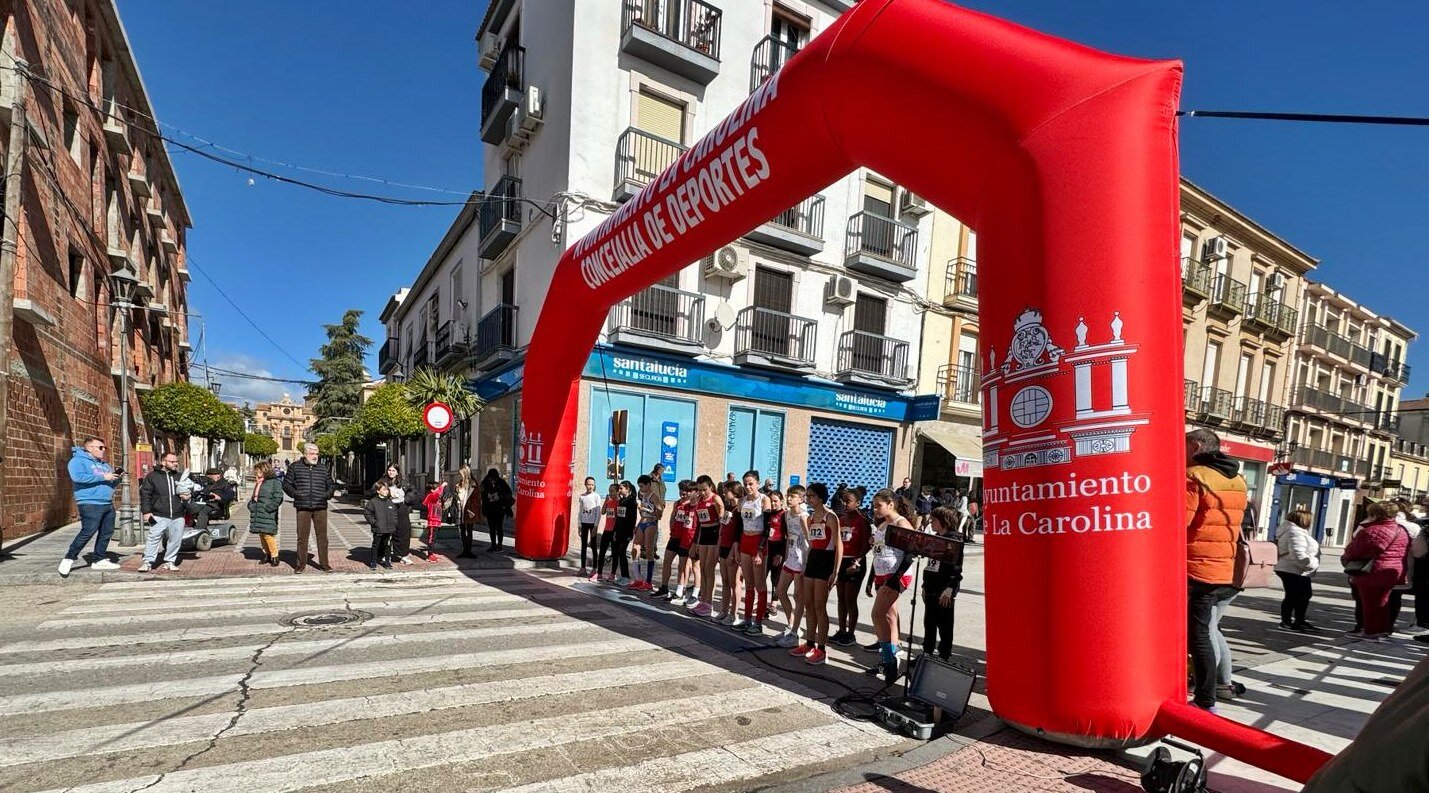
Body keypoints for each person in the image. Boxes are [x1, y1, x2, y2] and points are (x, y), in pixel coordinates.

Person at [1184, 428, 1247, 713]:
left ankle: (1206, 700)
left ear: (1196, 447)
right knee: (1209, 630)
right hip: (1225, 566)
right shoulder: (1237, 480)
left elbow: (1179, 521)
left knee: (1198, 635)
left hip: (1196, 565)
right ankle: (1218, 687)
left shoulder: (1195, 477)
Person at [865, 489, 916, 681]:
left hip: (895, 575)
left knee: (877, 614)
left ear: (890, 504)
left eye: (878, 505)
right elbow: (878, 553)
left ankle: (889, 662)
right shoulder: (882, 525)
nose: (875, 509)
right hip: (881, 573)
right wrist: (871, 579)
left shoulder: (901, 523)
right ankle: (891, 654)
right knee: (889, 615)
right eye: (874, 505)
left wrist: (895, 579)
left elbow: (910, 554)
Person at [1342, 500, 1411, 641]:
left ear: (1375, 514)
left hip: (1373, 571)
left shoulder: (1372, 530)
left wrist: (1346, 555)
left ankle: (1371, 632)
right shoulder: (1401, 530)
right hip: (1393, 571)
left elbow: (1354, 551)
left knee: (1369, 603)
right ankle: (1382, 630)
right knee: (1383, 602)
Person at [789, 482, 841, 665]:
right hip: (813, 561)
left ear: (820, 498)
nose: (808, 499)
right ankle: (809, 643)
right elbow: (812, 543)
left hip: (826, 561)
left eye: (811, 496)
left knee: (820, 606)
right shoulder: (810, 518)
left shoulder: (830, 517)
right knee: (809, 604)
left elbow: (838, 544)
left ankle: (822, 649)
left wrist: (836, 570)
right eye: (807, 496)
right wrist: (805, 565)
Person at [60, 437, 122, 576]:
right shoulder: (77, 461)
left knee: (107, 532)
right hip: (90, 502)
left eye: (104, 447)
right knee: (88, 531)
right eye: (100, 447)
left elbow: (109, 483)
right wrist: (103, 477)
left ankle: (99, 558)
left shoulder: (104, 465)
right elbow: (78, 477)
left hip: (107, 503)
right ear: (89, 448)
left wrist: (117, 479)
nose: (103, 450)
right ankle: (69, 557)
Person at [282, 443, 337, 574]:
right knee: (302, 537)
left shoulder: (323, 468)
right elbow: (286, 484)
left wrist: (326, 495)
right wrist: (296, 494)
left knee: (322, 537)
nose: (315, 456)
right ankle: (300, 564)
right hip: (303, 507)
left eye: (317, 454)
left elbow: (331, 485)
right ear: (305, 454)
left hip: (320, 506)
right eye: (312, 453)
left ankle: (324, 564)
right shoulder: (295, 467)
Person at [921, 506, 963, 660]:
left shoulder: (954, 540)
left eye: (934, 520)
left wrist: (950, 589)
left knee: (944, 624)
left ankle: (944, 655)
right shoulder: (937, 538)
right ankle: (927, 652)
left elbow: (956, 569)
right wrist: (925, 586)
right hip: (931, 587)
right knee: (929, 622)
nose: (931, 523)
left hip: (944, 589)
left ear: (944, 521)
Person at [736, 472, 773, 634]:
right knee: (748, 584)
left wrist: (760, 550)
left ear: (757, 483)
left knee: (760, 585)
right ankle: (747, 619)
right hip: (745, 541)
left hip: (759, 543)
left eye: (751, 483)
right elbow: (738, 527)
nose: (748, 487)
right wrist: (736, 548)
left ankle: (758, 623)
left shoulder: (764, 499)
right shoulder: (742, 501)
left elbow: (767, 527)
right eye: (745, 484)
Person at [138, 452, 187, 573]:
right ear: (163, 462)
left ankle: (170, 561)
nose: (175, 464)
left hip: (177, 514)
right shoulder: (152, 476)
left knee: (175, 539)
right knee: (153, 537)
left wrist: (188, 496)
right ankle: (148, 562)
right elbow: (145, 494)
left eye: (176, 462)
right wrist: (146, 511)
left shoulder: (180, 476)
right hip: (158, 514)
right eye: (172, 462)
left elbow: (190, 489)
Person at [833, 488, 870, 647]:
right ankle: (841, 630)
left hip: (855, 564)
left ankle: (851, 633)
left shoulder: (862, 521)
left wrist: (857, 561)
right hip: (841, 562)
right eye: (843, 501)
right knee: (841, 598)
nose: (845, 504)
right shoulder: (841, 519)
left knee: (850, 600)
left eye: (848, 501)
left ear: (858, 503)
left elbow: (866, 545)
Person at [1273, 509, 1319, 632]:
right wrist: (1311, 564)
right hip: (1291, 568)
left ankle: (1299, 620)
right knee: (1293, 595)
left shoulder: (1296, 531)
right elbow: (1297, 553)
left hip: (1295, 569)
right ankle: (1286, 622)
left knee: (1304, 595)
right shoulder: (1295, 532)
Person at [774, 485, 808, 648]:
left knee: (798, 597)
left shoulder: (804, 516)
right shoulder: (787, 514)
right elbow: (788, 537)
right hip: (791, 558)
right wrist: (786, 555)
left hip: (802, 560)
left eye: (792, 496)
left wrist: (806, 565)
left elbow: (810, 542)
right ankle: (791, 625)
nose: (788, 499)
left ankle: (795, 633)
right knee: (780, 591)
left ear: (801, 499)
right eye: (788, 495)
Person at [689, 475, 724, 616]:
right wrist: (695, 542)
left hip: (714, 534)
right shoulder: (699, 501)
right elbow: (698, 524)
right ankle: (702, 601)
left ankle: (709, 604)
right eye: (700, 490)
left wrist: (720, 542)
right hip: (703, 534)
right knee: (702, 569)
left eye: (705, 490)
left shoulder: (715, 499)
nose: (702, 493)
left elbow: (721, 521)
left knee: (709, 569)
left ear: (711, 487)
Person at [714, 481, 745, 624]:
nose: (724, 494)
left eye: (727, 491)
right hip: (724, 547)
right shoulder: (728, 508)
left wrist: (734, 550)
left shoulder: (740, 509)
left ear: (734, 491)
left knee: (735, 583)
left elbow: (739, 532)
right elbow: (723, 528)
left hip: (734, 548)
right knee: (725, 581)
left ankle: (734, 614)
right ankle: (724, 611)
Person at [631, 474, 665, 591]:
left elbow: (659, 513)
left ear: (648, 485)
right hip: (643, 522)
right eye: (639, 487)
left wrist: (648, 510)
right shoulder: (644, 496)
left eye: (642, 487)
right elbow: (643, 512)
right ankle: (638, 578)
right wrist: (638, 524)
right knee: (635, 548)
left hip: (651, 523)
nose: (641, 489)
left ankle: (649, 582)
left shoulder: (654, 496)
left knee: (649, 551)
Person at [247, 460, 283, 567]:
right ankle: (267, 554)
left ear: (264, 470)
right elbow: (254, 497)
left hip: (268, 513)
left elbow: (278, 497)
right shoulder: (259, 482)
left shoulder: (274, 482)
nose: (256, 473)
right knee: (262, 535)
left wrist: (270, 508)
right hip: (258, 511)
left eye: (258, 470)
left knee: (268, 535)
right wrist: (251, 506)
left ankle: (275, 556)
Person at [190, 467, 236, 536]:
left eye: (218, 474)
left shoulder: (224, 484)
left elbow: (230, 496)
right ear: (209, 476)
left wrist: (219, 497)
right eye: (215, 474)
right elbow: (197, 492)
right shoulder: (204, 483)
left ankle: (200, 531)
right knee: (189, 508)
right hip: (203, 502)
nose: (218, 475)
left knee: (203, 511)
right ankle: (188, 527)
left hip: (216, 504)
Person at [364, 479, 398, 570]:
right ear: (378, 490)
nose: (386, 491)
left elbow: (394, 514)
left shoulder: (389, 502)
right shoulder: (373, 502)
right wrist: (374, 523)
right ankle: (373, 562)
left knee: (387, 545)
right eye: (384, 489)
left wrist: (394, 523)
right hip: (378, 528)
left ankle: (387, 562)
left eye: (387, 489)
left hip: (389, 529)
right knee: (376, 545)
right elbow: (368, 513)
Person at [385, 465, 417, 565]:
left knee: (404, 530)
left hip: (401, 508)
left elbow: (412, 491)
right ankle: (385, 555)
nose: (391, 472)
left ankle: (403, 555)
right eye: (389, 470)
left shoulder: (403, 482)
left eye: (393, 470)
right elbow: (375, 491)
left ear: (397, 472)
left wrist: (406, 501)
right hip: (387, 509)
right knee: (386, 532)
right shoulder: (383, 482)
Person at [610, 480, 638, 585]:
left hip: (626, 531)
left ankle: (626, 577)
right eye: (619, 488)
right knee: (618, 552)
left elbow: (632, 519)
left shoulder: (632, 502)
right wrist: (615, 531)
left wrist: (630, 533)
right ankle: (622, 575)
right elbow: (618, 517)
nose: (620, 490)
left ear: (628, 489)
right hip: (619, 530)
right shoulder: (621, 501)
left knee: (622, 552)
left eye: (621, 488)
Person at [589, 484, 619, 583]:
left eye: (613, 491)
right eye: (609, 491)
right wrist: (606, 501)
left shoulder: (619, 502)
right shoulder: (609, 501)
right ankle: (599, 573)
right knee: (602, 552)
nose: (611, 493)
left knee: (614, 553)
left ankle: (612, 574)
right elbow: (602, 512)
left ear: (618, 491)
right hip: (606, 530)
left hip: (614, 530)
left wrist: (616, 531)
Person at [480, 468, 514, 552]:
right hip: (489, 508)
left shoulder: (501, 482)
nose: (493, 481)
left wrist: (499, 496)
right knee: (491, 528)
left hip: (499, 508)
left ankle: (499, 545)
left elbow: (509, 493)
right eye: (491, 479)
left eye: (494, 479)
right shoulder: (485, 483)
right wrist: (487, 496)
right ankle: (493, 545)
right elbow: (481, 494)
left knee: (499, 527)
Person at [576, 476, 602, 577]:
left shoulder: (596, 496)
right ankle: (583, 568)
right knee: (583, 546)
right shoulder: (582, 496)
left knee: (593, 546)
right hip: (584, 523)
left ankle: (594, 568)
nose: (590, 486)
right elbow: (580, 511)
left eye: (592, 484)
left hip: (592, 524)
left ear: (594, 485)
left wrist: (596, 526)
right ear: (585, 484)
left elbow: (598, 513)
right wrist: (579, 525)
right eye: (588, 484)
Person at [421, 480, 447, 562]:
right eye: (436, 488)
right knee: (431, 539)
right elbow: (438, 494)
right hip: (432, 521)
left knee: (434, 539)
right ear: (432, 490)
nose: (438, 489)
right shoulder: (431, 496)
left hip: (437, 521)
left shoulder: (435, 497)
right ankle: (429, 555)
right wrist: (442, 486)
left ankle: (431, 554)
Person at [454, 465, 476, 558]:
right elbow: (457, 497)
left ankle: (469, 551)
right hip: (461, 510)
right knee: (462, 530)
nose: (459, 476)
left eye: (460, 474)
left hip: (469, 510)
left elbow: (476, 498)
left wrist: (473, 510)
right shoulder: (458, 485)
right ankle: (464, 550)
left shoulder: (473, 484)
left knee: (469, 531)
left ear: (465, 474)